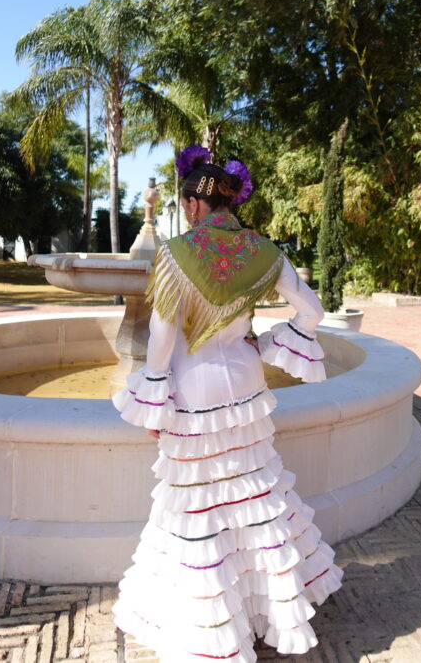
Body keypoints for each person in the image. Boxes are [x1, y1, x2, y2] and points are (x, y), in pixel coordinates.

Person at [111, 145, 344, 663]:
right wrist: (274, 341)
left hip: (195, 388)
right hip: (246, 382)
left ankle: (212, 628)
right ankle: (270, 612)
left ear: (195, 204)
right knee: (252, 495)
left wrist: (153, 392)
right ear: (229, 202)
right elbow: (314, 309)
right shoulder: (264, 252)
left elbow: (164, 334)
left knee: (200, 502)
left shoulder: (175, 254)